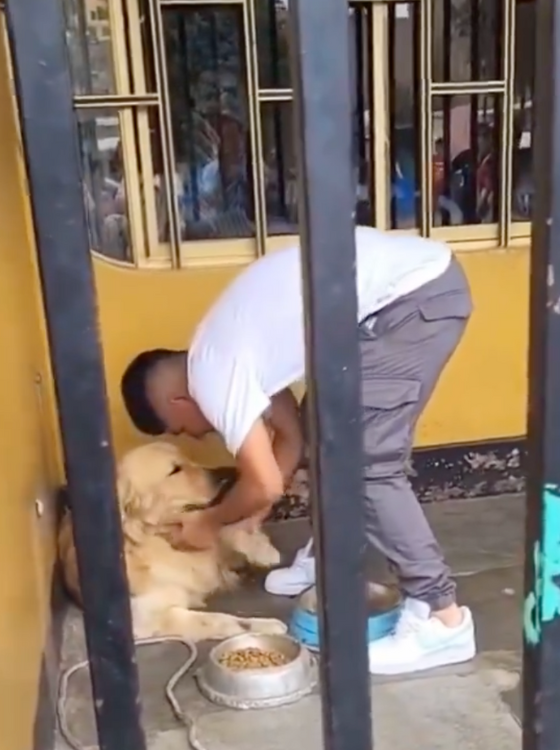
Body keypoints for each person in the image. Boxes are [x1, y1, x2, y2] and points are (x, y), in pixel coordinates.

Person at [120, 226, 476, 676]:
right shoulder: (226, 350)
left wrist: (210, 522)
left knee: (368, 461)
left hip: (413, 299)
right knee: (324, 427)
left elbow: (265, 482)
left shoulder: (212, 375)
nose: (196, 438)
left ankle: (443, 619)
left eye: (183, 431)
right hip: (402, 294)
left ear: (178, 402)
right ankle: (330, 553)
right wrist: (249, 512)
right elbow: (293, 438)